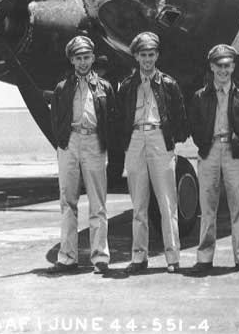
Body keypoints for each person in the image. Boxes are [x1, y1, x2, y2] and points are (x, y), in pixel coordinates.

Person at [117, 32, 189, 274]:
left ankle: (173, 256)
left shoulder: (169, 84)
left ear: (157, 55)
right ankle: (139, 257)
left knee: (167, 202)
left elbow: (180, 116)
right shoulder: (127, 86)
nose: (147, 59)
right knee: (139, 203)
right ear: (136, 56)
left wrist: (170, 140)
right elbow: (120, 117)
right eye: (143, 55)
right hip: (136, 138)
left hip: (160, 137)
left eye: (151, 54)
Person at [189, 44, 239, 273]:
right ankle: (205, 257)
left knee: (237, 206)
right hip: (210, 152)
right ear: (211, 67)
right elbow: (195, 124)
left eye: (227, 65)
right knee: (207, 206)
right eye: (219, 65)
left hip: (233, 152)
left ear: (233, 67)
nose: (223, 70)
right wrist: (204, 144)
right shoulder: (200, 97)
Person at [49, 35, 116, 274]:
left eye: (87, 57)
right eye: (78, 58)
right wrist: (63, 142)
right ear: (72, 60)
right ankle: (67, 257)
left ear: (93, 58)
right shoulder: (62, 87)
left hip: (94, 142)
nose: (83, 62)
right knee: (68, 201)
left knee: (98, 203)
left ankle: (100, 258)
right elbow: (55, 118)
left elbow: (111, 117)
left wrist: (104, 143)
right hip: (70, 142)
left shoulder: (104, 87)